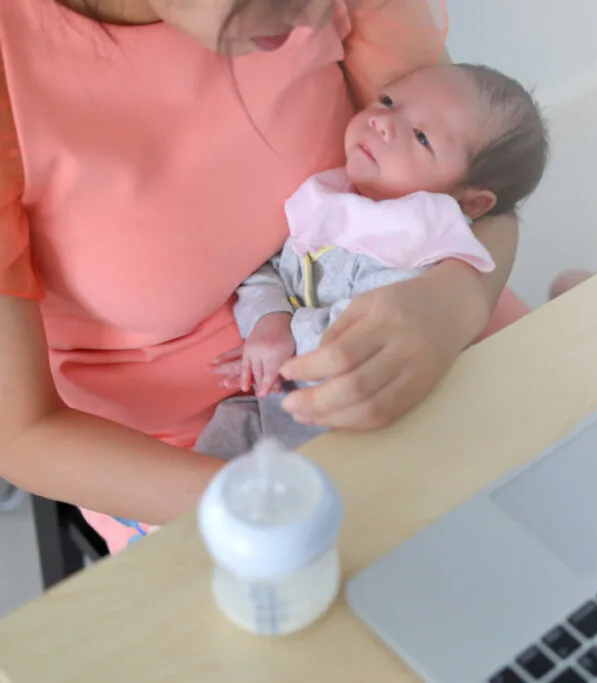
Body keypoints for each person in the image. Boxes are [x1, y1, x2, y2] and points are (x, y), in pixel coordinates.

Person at [0, 0, 522, 554]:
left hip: (413, 313)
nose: (321, 11)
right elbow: (21, 434)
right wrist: (281, 503)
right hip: (194, 455)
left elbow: (482, 195)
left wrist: (456, 302)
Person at [194, 62, 548, 459]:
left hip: (365, 410)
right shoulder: (334, 199)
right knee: (212, 457)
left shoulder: (417, 250)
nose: (382, 122)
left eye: (421, 137)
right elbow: (268, 266)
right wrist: (268, 320)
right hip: (277, 402)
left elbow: (360, 342)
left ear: (469, 202)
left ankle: (571, 287)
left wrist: (290, 336)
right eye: (388, 101)